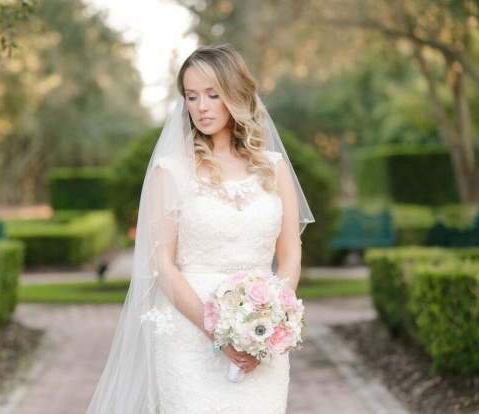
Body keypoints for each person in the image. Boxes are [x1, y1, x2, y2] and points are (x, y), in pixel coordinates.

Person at [86, 44, 314, 414]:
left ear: (235, 95)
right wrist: (220, 333)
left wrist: (269, 324)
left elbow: (290, 254)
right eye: (192, 97)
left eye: (212, 94)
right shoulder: (171, 170)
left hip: (260, 342)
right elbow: (161, 261)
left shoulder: (274, 168)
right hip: (189, 336)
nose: (201, 107)